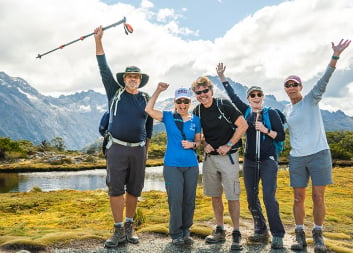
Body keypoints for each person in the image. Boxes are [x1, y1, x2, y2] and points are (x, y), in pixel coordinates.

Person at [283, 39, 351, 253]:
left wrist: (335, 56)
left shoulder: (311, 99)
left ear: (300, 87)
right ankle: (300, 234)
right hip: (297, 158)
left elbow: (324, 80)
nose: (292, 87)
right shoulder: (286, 110)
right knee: (298, 197)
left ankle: (318, 234)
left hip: (319, 154)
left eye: (295, 84)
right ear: (285, 89)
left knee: (318, 196)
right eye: (288, 85)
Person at [94, 25, 154, 248]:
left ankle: (130, 226)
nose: (132, 79)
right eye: (129, 76)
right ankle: (118, 229)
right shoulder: (115, 92)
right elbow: (103, 67)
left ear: (140, 80)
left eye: (136, 77)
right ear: (124, 79)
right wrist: (98, 40)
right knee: (116, 189)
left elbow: (149, 127)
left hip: (138, 149)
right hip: (117, 147)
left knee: (135, 189)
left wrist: (146, 150)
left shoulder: (146, 98)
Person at [216, 63, 286, 249]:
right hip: (249, 161)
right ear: (248, 98)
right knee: (251, 197)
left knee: (269, 197)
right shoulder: (245, 111)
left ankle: (277, 234)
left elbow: (281, 136)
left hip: (268, 161)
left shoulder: (271, 113)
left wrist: (265, 129)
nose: (256, 97)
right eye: (252, 95)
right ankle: (260, 228)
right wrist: (223, 78)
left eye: (259, 95)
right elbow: (233, 96)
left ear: (262, 97)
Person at [191, 76, 248, 251]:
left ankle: (237, 232)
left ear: (211, 90)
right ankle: (220, 229)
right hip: (210, 160)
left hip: (229, 157)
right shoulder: (197, 111)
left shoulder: (224, 105)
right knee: (215, 196)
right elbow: (199, 136)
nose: (202, 95)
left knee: (232, 195)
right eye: (198, 92)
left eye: (205, 91)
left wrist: (229, 145)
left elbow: (243, 125)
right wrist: (205, 144)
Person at [145, 83, 201, 246]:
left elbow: (198, 141)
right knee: (175, 199)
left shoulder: (195, 120)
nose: (182, 105)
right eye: (179, 101)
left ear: (190, 102)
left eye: (185, 101)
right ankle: (176, 233)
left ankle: (186, 231)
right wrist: (158, 90)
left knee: (189, 200)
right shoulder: (168, 116)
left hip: (191, 165)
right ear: (175, 102)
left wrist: (193, 145)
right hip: (172, 166)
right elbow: (148, 110)